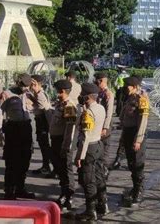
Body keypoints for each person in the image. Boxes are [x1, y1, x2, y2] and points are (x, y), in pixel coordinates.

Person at [0, 74, 35, 199]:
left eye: (27, 85)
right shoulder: (6, 94)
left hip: (26, 127)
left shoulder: (30, 93)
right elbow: (0, 114)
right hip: (13, 128)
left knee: (25, 159)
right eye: (23, 85)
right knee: (12, 161)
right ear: (18, 83)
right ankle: (9, 190)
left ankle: (20, 187)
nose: (25, 88)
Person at [75, 83, 107, 221]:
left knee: (88, 180)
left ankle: (90, 211)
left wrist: (79, 156)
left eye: (82, 95)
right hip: (99, 145)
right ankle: (102, 204)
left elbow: (85, 137)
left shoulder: (88, 113)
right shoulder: (100, 108)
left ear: (87, 97)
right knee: (99, 176)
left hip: (89, 148)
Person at [119, 77, 149, 205]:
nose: (126, 87)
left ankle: (139, 191)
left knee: (137, 164)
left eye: (129, 86)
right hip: (128, 133)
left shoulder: (141, 100)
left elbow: (143, 122)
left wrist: (138, 140)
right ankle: (135, 188)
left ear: (135, 86)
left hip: (136, 134)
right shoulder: (130, 98)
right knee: (131, 163)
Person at [50, 80, 78, 210]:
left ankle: (69, 196)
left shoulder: (69, 106)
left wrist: (66, 146)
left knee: (66, 169)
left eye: (57, 91)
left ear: (62, 91)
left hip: (63, 141)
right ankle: (63, 192)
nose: (56, 93)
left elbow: (70, 129)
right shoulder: (60, 104)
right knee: (60, 168)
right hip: (56, 140)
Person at [29, 75, 53, 176]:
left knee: (44, 145)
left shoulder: (40, 95)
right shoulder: (38, 94)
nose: (30, 85)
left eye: (32, 84)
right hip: (41, 121)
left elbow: (43, 107)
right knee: (43, 144)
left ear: (37, 84)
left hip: (43, 122)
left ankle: (47, 166)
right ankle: (45, 166)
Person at [94, 72, 115, 175]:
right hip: (97, 124)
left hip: (104, 125)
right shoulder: (99, 92)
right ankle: (99, 168)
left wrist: (105, 127)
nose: (96, 83)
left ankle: (105, 170)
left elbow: (109, 113)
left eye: (97, 81)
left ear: (101, 81)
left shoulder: (108, 94)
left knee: (105, 148)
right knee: (98, 147)